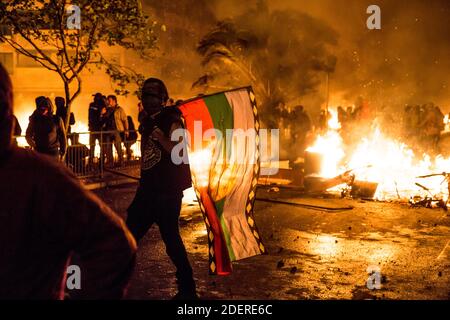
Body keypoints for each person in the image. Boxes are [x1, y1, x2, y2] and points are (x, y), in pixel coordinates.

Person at [0, 62, 137, 299]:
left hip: (51, 155)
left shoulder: (41, 177)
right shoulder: (39, 163)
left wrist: (61, 150)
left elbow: (114, 245)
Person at [126, 78, 196, 299]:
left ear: (163, 99)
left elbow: (179, 151)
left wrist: (161, 136)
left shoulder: (172, 119)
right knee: (127, 236)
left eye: (152, 96)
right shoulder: (148, 121)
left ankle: (187, 288)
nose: (147, 100)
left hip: (166, 193)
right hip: (148, 191)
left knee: (171, 239)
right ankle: (110, 282)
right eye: (145, 96)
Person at [102, 95, 128, 166]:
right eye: (108, 100)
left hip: (117, 131)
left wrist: (126, 130)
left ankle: (121, 162)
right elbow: (102, 120)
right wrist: (102, 114)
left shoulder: (119, 109)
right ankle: (110, 162)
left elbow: (125, 120)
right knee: (108, 148)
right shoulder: (107, 109)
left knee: (118, 147)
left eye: (109, 100)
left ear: (114, 101)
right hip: (108, 131)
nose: (108, 101)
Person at [88, 93, 107, 165]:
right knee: (93, 146)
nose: (94, 98)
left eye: (95, 97)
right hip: (95, 129)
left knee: (100, 145)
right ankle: (92, 161)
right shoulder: (95, 105)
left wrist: (100, 114)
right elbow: (92, 117)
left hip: (98, 129)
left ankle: (101, 162)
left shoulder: (102, 106)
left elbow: (104, 118)